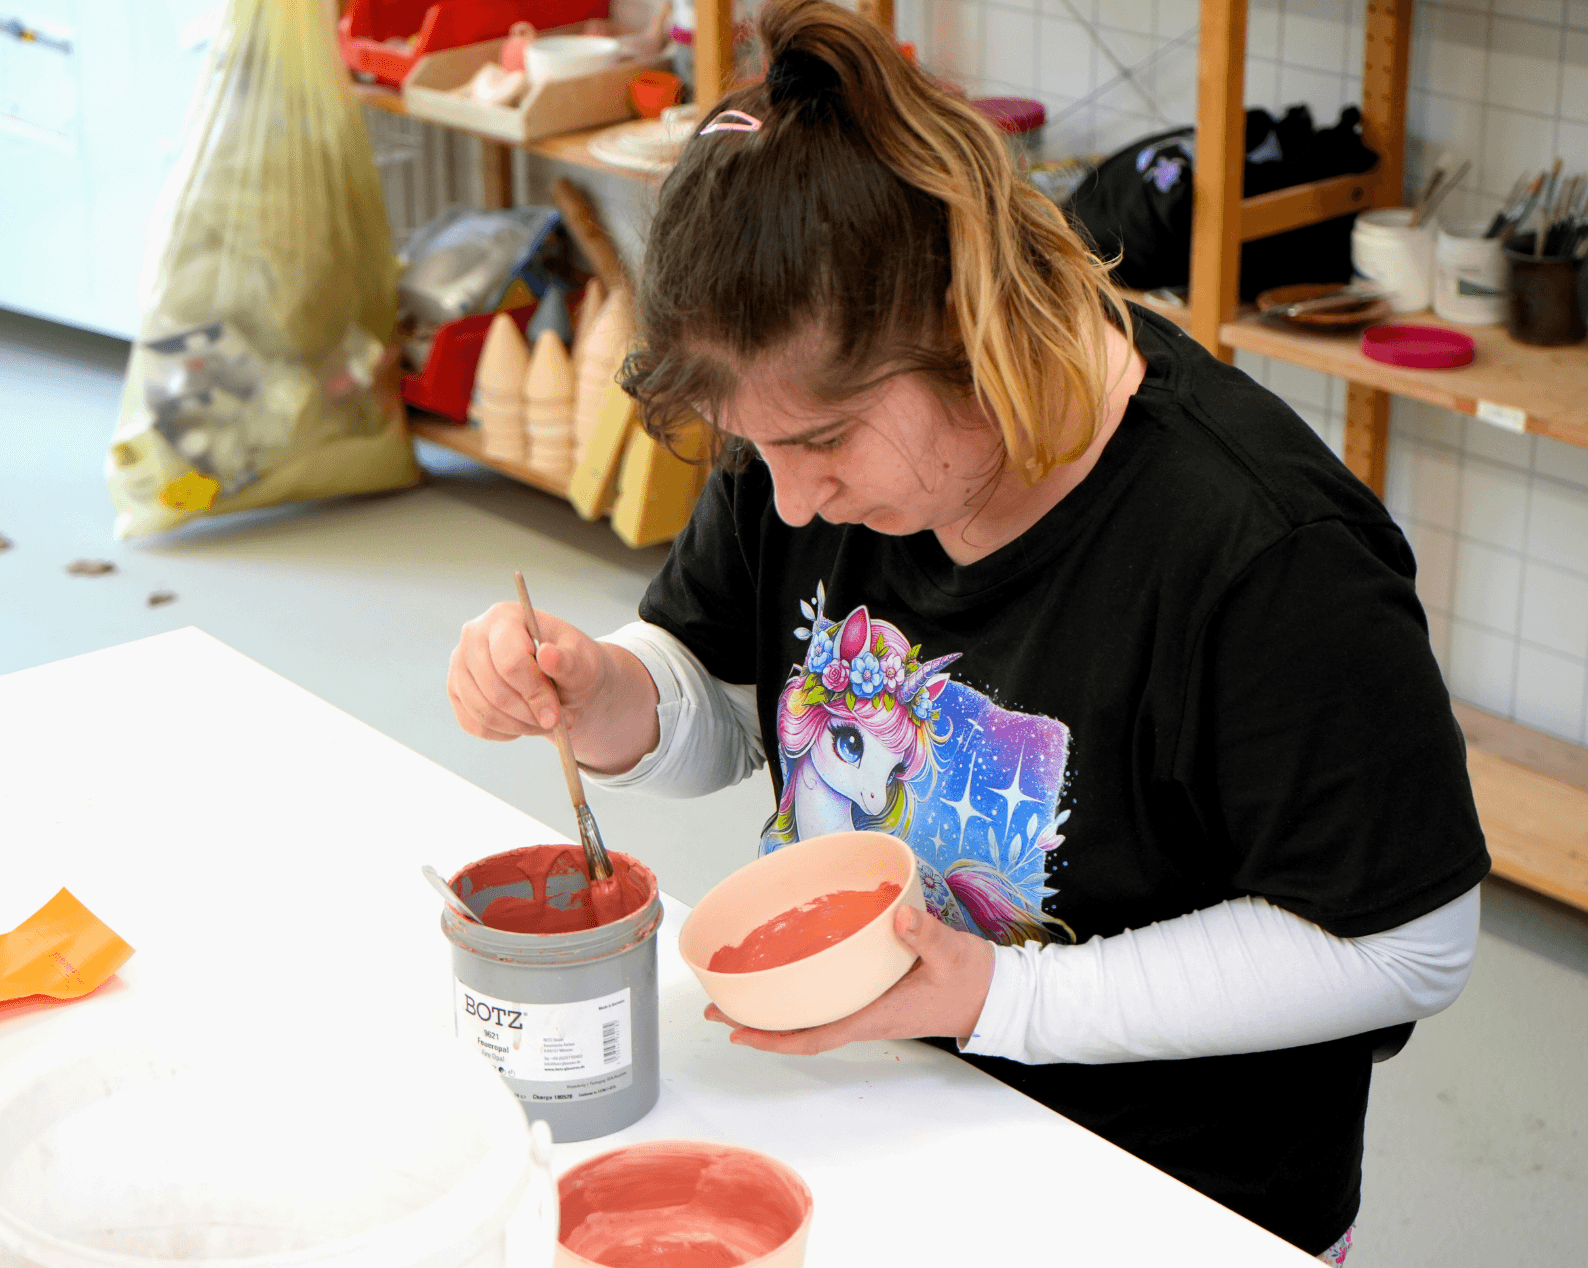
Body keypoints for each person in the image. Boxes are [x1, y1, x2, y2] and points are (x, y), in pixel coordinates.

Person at [445, 1, 1488, 1259]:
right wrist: (605, 688)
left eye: (821, 442)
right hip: (879, 1115)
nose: (785, 496)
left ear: (971, 323)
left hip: (1164, 1197)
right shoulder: (797, 420)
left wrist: (1005, 995)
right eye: (755, 446)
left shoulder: (1262, 554)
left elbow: (1404, 941)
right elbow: (726, 695)